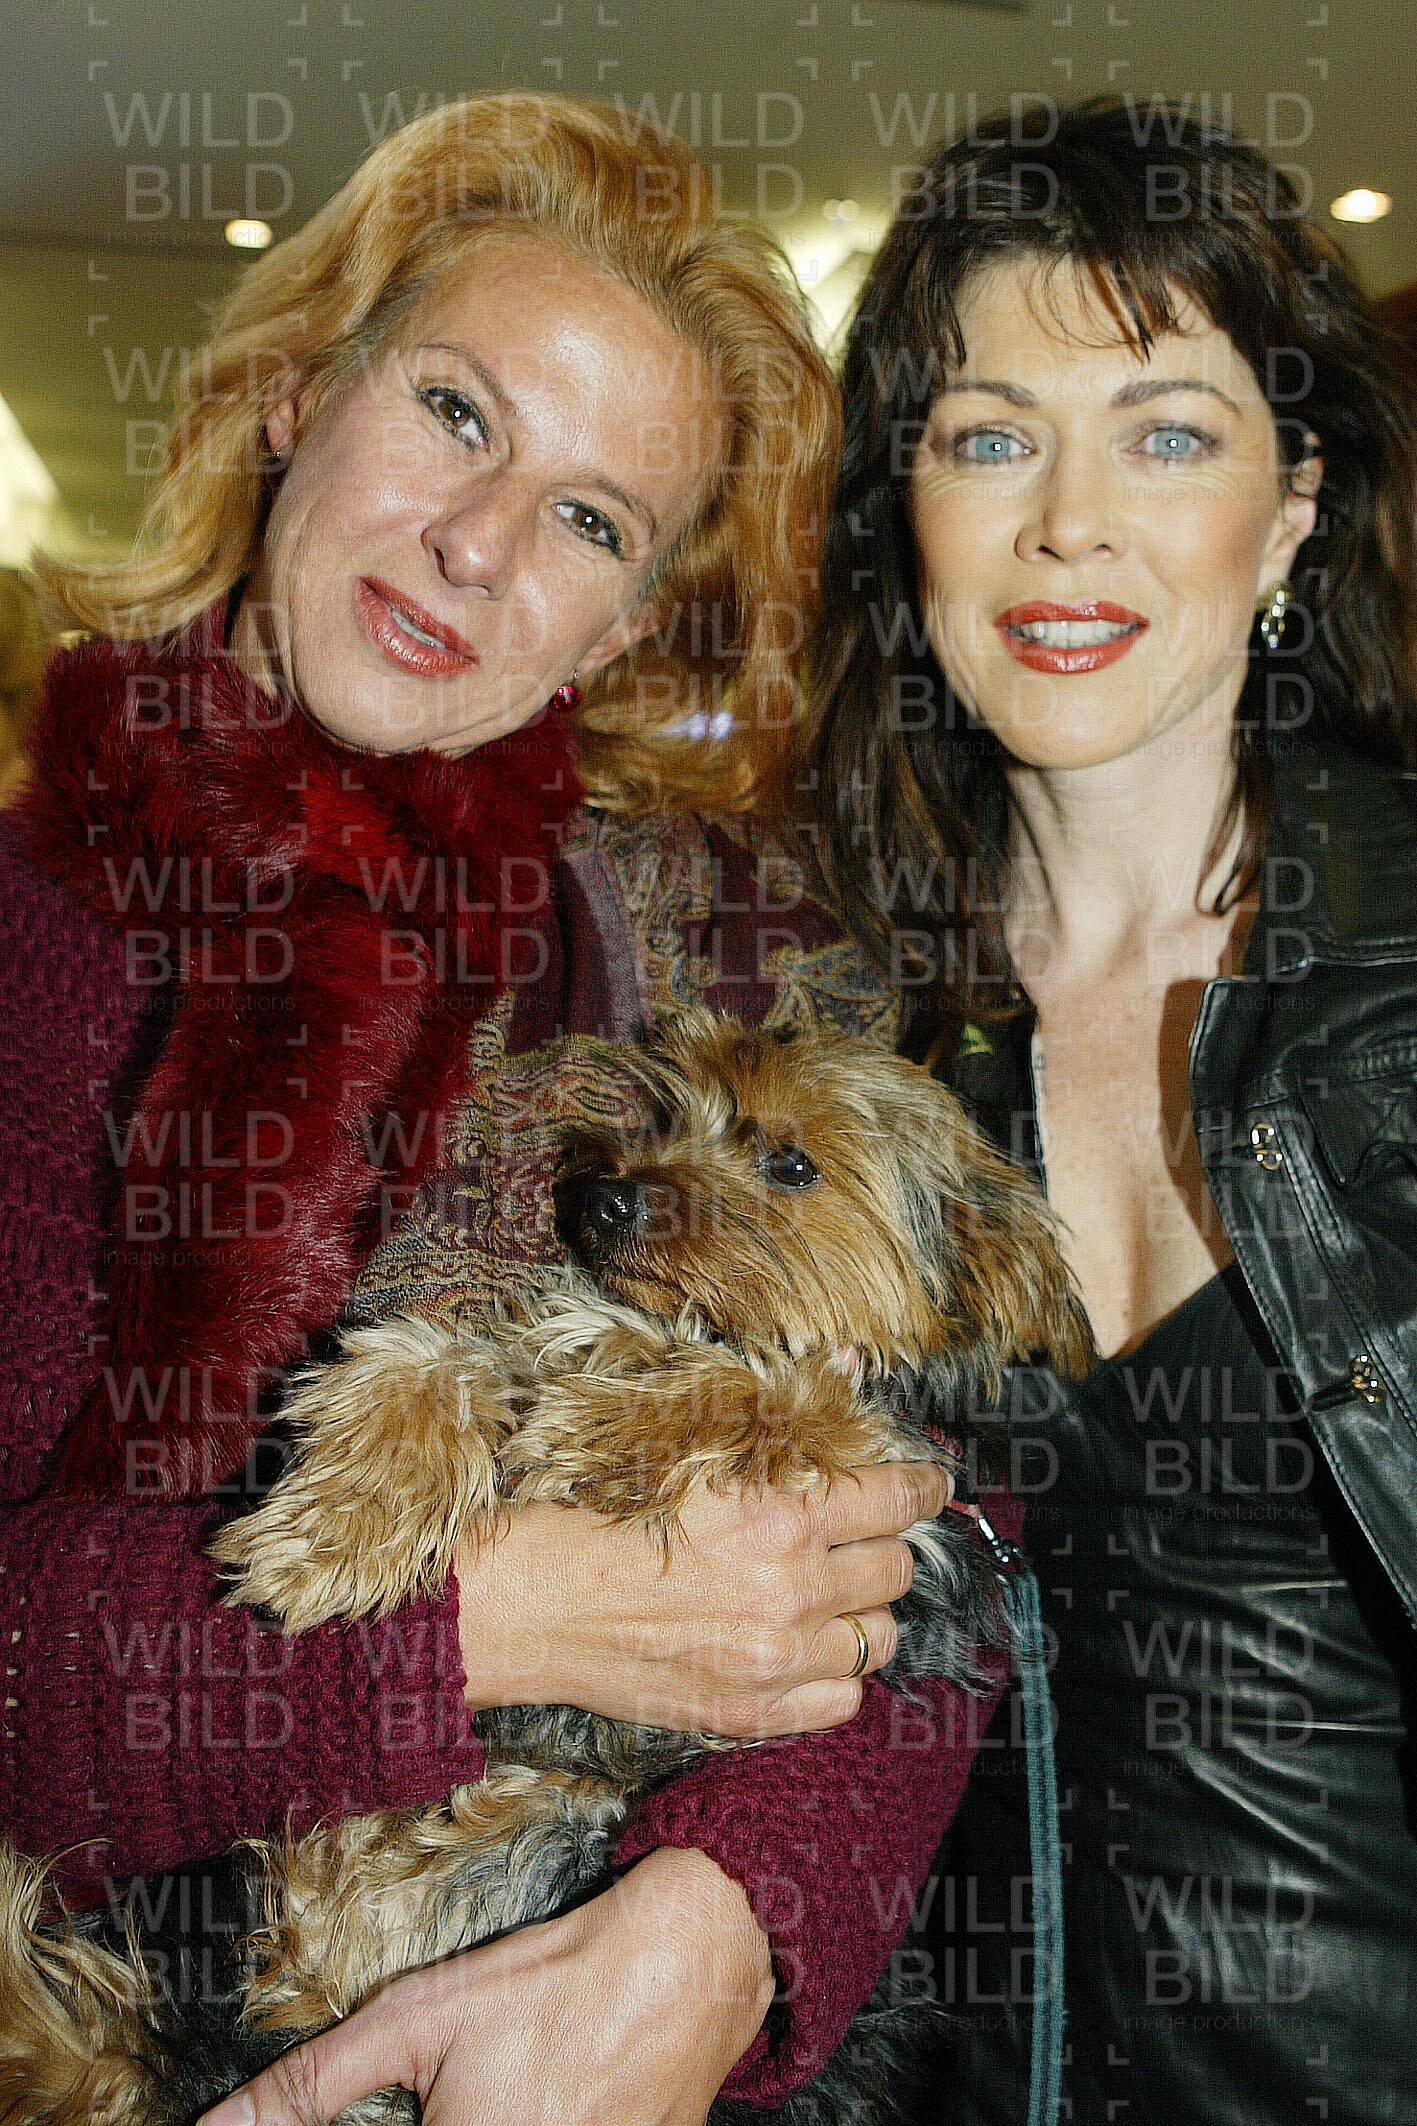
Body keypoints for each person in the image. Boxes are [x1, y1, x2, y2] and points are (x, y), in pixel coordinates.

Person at [0, 92, 996, 2126]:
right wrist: (484, 1621)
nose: (480, 545)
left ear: (622, 625)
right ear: (298, 388)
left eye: (592, 519)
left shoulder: (709, 942)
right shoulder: (38, 934)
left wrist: (719, 1920)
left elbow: (948, 1540)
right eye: (455, 412)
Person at [804, 96, 1417, 2124]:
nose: (1069, 525)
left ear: (1294, 505)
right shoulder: (833, 1043)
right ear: (906, 505)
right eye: (991, 439)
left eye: (1165, 434)